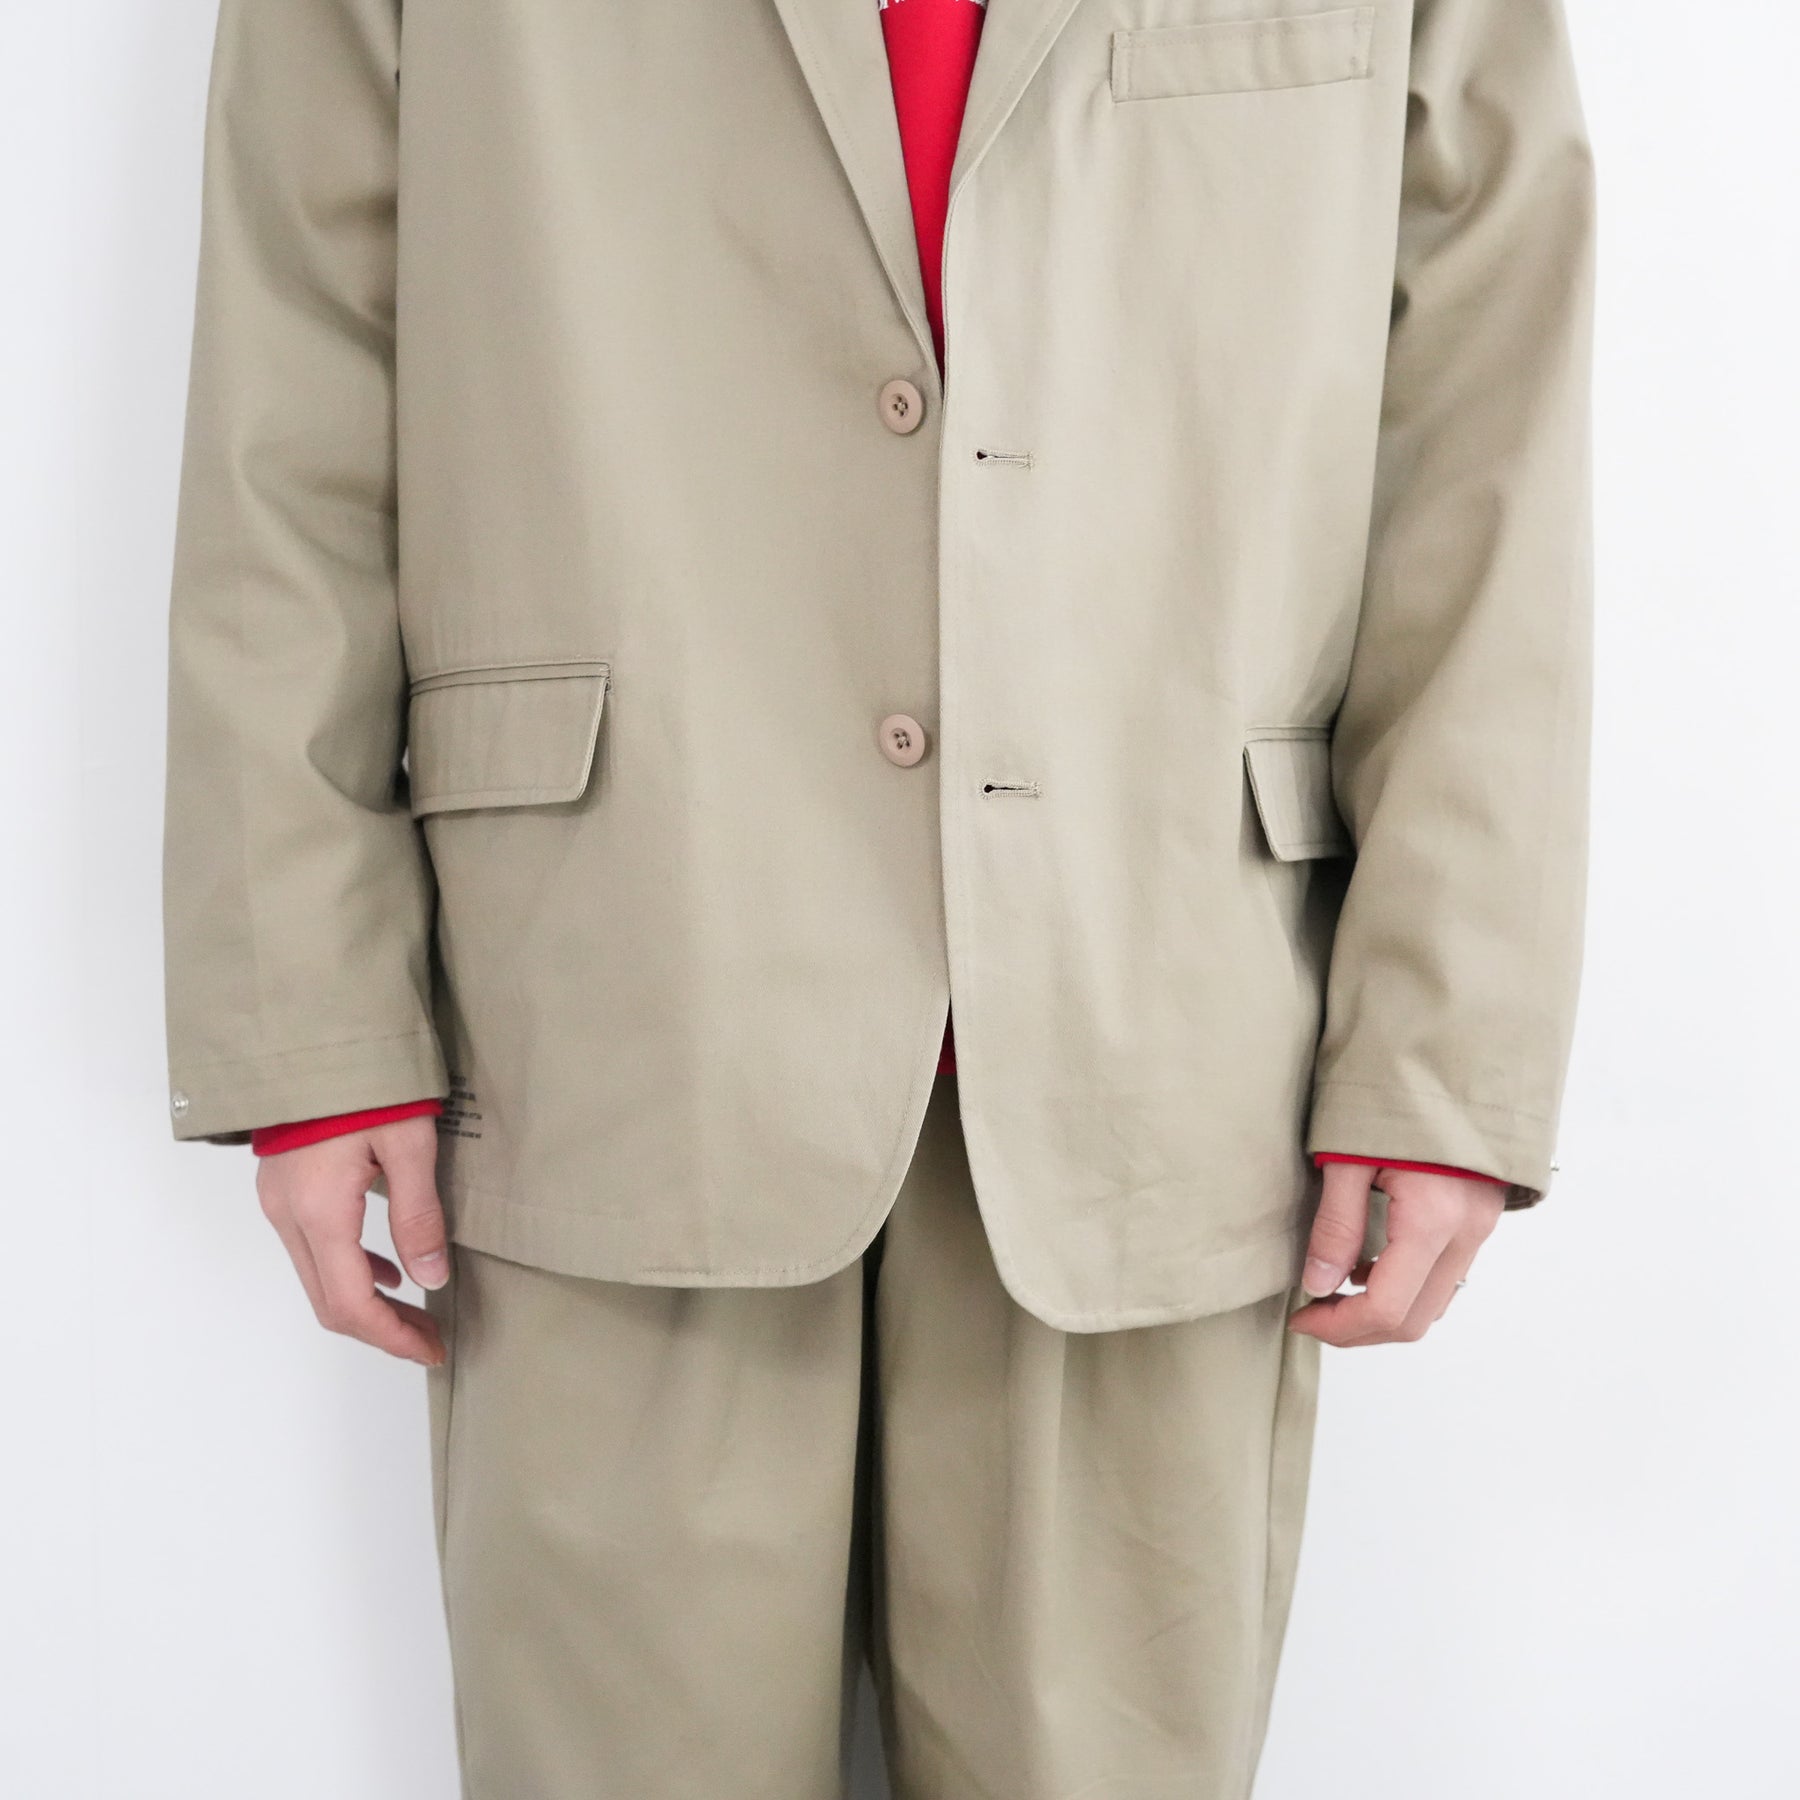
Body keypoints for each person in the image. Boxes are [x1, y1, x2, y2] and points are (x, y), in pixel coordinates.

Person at [162, 1, 1594, 1794]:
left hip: (1165, 1035)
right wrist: (310, 1015)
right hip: (611, 1007)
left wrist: (1445, 1046)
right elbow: (291, 391)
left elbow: (1484, 436)